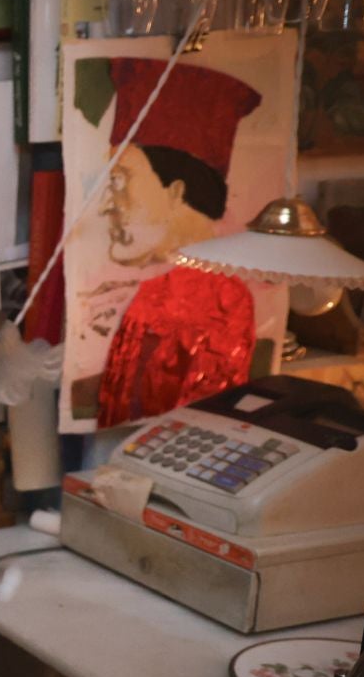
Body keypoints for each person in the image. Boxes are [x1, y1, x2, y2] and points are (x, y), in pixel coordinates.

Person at [88, 58, 266, 427]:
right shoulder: (150, 291)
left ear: (176, 190)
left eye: (120, 182)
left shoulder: (220, 302)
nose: (107, 206)